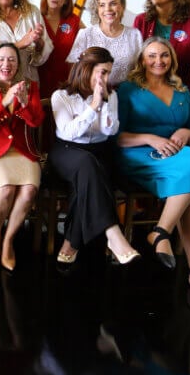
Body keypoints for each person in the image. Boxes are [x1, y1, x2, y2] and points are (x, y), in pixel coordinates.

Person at [117, 37, 190, 312]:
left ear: (171, 60)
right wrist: (151, 139)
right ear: (142, 60)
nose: (158, 61)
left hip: (175, 153)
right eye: (151, 56)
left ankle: (161, 232)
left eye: (164, 56)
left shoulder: (182, 90)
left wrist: (186, 133)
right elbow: (116, 136)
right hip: (139, 154)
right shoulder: (128, 90)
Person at [49, 46, 140, 267]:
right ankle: (113, 234)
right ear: (86, 69)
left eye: (108, 72)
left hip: (100, 152)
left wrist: (105, 103)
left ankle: (71, 241)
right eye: (102, 72)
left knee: (89, 175)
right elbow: (69, 132)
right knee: (87, 165)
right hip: (67, 151)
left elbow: (110, 131)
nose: (106, 78)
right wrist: (93, 106)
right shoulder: (61, 96)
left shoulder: (112, 95)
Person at [0, 43, 44, 271]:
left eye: (12, 60)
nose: (6, 64)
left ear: (18, 64)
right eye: (1, 59)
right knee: (6, 189)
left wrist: (23, 103)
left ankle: (8, 240)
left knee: (29, 190)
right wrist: (4, 102)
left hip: (22, 150)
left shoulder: (30, 86)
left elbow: (36, 121)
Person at [67, 0, 141, 88]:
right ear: (97, 9)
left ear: (122, 6)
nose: (108, 9)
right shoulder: (85, 34)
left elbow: (140, 70)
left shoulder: (135, 35)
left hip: (126, 96)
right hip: (92, 96)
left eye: (113, 4)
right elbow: (74, 71)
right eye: (102, 5)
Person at [38, 0, 82, 98]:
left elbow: (90, 45)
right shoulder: (36, 18)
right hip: (39, 81)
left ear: (67, 0)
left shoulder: (74, 20)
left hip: (66, 82)